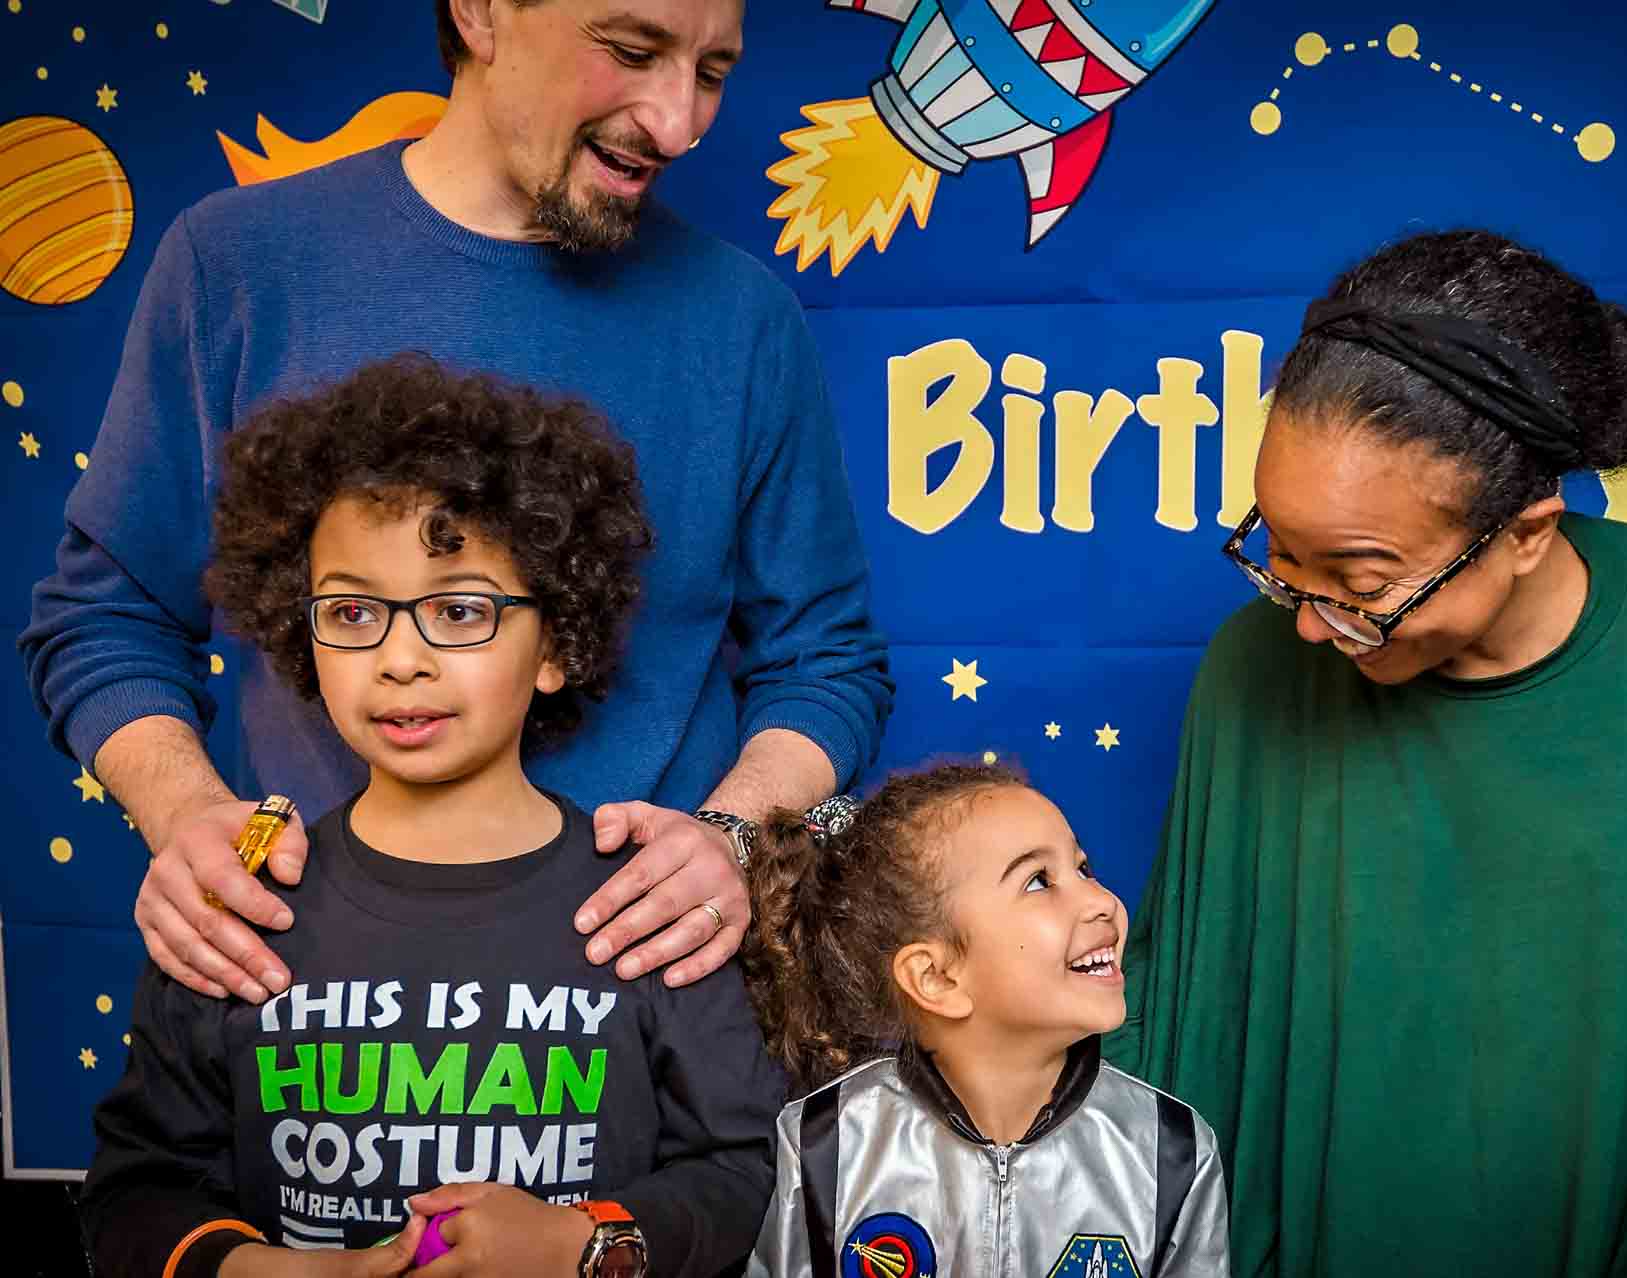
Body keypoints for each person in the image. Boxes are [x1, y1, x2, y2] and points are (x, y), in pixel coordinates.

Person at [19, 0, 890, 1010]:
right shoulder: (237, 267)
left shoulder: (744, 318)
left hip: (649, 1009)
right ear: (479, 13)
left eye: (712, 71)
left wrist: (730, 837)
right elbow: (107, 616)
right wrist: (192, 815)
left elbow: (826, 662)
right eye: (633, 50)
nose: (677, 123)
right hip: (317, 992)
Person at [1106, 229, 1627, 1277]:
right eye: (1278, 555)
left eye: (1361, 582)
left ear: (1528, 531)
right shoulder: (1253, 665)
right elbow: (1190, 1024)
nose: (1311, 625)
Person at [80, 354, 789, 1278]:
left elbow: (743, 1172)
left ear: (557, 641)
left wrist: (582, 1245)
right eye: (352, 611)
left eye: (459, 611)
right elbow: (135, 1194)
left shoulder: (645, 904)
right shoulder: (232, 907)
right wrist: (283, 1271)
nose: (400, 658)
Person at [740, 763, 1230, 1278]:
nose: (1103, 901)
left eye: (1083, 869)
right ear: (936, 978)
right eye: (1039, 881)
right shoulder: (829, 1143)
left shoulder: (1171, 1150)